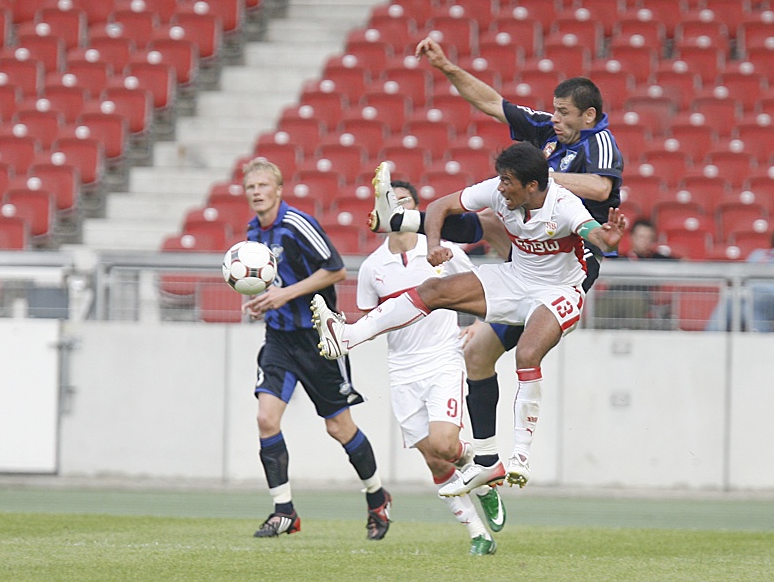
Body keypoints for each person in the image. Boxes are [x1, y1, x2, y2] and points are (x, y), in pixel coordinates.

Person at [368, 37, 624, 494]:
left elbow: (602, 189)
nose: (555, 118)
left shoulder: (599, 142)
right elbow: (491, 102)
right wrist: (446, 66)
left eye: (564, 112)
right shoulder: (547, 131)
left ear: (587, 115)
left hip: (568, 264)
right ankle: (487, 462)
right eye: (554, 110)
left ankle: (404, 219)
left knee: (492, 219)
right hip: (527, 261)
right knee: (477, 355)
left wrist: (540, 177)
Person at [313, 144, 626, 496]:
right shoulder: (499, 191)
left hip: (559, 291)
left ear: (532, 186)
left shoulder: (564, 205)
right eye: (501, 180)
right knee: (433, 290)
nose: (501, 188)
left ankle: (520, 456)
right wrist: (433, 244)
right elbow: (439, 206)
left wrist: (607, 238)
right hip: (515, 279)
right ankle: (348, 336)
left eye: (508, 182)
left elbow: (593, 233)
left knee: (527, 354)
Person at [240, 157, 392, 540]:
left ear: (278, 189)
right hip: (279, 339)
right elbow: (271, 284)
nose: (257, 192)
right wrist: (259, 301)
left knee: (338, 427)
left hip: (319, 338)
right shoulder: (252, 233)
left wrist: (285, 295)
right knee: (266, 419)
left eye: (263, 185)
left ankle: (377, 498)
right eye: (251, 187)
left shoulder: (296, 224)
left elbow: (336, 269)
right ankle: (284, 511)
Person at [357, 178, 504, 556]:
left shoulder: (441, 250)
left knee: (444, 444)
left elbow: (483, 287)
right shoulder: (372, 268)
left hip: (442, 359)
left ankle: (483, 471)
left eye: (404, 201)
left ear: (415, 210)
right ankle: (478, 534)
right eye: (391, 201)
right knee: (434, 459)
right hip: (401, 370)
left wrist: (480, 324)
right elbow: (372, 320)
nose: (398, 207)